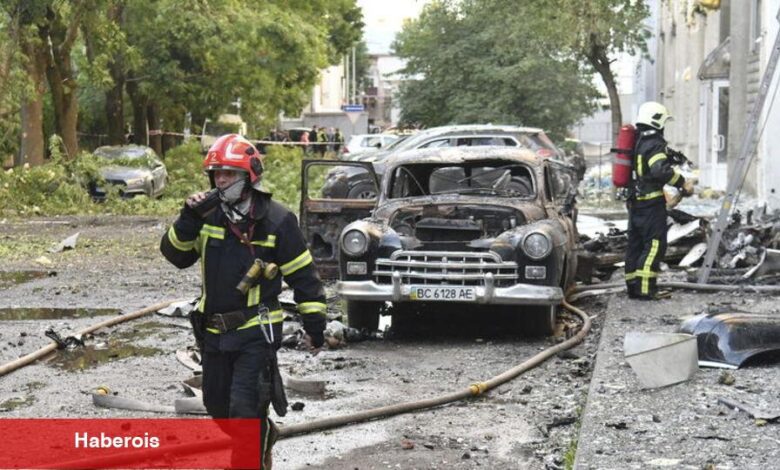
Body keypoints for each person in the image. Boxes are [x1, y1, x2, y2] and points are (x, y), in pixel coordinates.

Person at [160, 134, 327, 468]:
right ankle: (265, 433)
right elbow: (175, 256)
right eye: (216, 174)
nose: (220, 180)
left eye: (228, 174)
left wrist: (315, 327)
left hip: (255, 332)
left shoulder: (277, 220)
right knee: (218, 407)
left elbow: (304, 277)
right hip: (213, 333)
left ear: (249, 175)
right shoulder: (206, 216)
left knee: (244, 412)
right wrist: (187, 218)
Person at [625, 102, 694, 300]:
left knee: (635, 246)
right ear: (657, 121)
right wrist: (682, 183)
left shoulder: (638, 141)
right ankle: (646, 289)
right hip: (651, 206)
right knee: (654, 244)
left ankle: (633, 287)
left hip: (636, 203)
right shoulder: (654, 143)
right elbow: (659, 170)